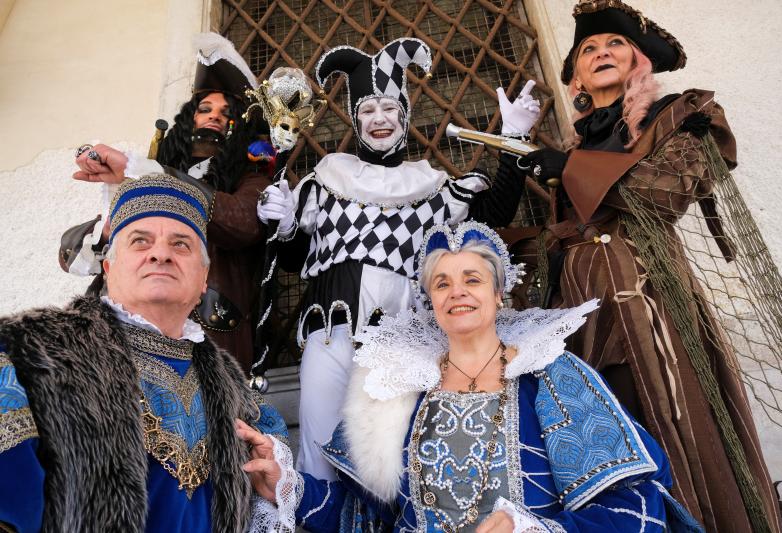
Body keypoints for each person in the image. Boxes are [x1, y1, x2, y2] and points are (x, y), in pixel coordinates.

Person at [237, 220, 704, 532]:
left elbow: (637, 508)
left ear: (499, 294)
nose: (456, 292)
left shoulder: (550, 377)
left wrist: (532, 530)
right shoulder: (396, 390)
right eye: (442, 283)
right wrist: (288, 485)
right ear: (431, 300)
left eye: (473, 279)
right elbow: (363, 516)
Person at [518, 1, 780, 531]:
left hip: (648, 302)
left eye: (615, 43)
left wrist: (570, 167)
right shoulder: (581, 140)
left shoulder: (680, 116)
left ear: (638, 61)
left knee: (662, 414)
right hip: (580, 315)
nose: (600, 53)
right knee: (606, 437)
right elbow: (563, 235)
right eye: (588, 49)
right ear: (577, 75)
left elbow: (662, 195)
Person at [256, 38, 541, 480]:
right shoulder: (329, 176)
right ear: (355, 120)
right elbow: (294, 259)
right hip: (330, 335)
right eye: (367, 111)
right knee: (319, 453)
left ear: (405, 115)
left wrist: (512, 140)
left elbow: (494, 214)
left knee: (394, 462)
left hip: (404, 340)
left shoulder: (429, 184)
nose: (379, 119)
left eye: (389, 108)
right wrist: (286, 223)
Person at [0, 174, 288, 532]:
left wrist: (279, 487)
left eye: (181, 244)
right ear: (109, 267)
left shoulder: (236, 389)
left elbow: (264, 492)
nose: (161, 253)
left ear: (203, 279)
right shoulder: (31, 352)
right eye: (140, 241)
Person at [62, 33, 274, 371]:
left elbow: (243, 223)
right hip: (123, 339)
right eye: (204, 109)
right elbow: (74, 260)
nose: (214, 117)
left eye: (225, 112)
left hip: (211, 335)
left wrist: (142, 170)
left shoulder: (250, 179)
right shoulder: (149, 173)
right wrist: (107, 229)